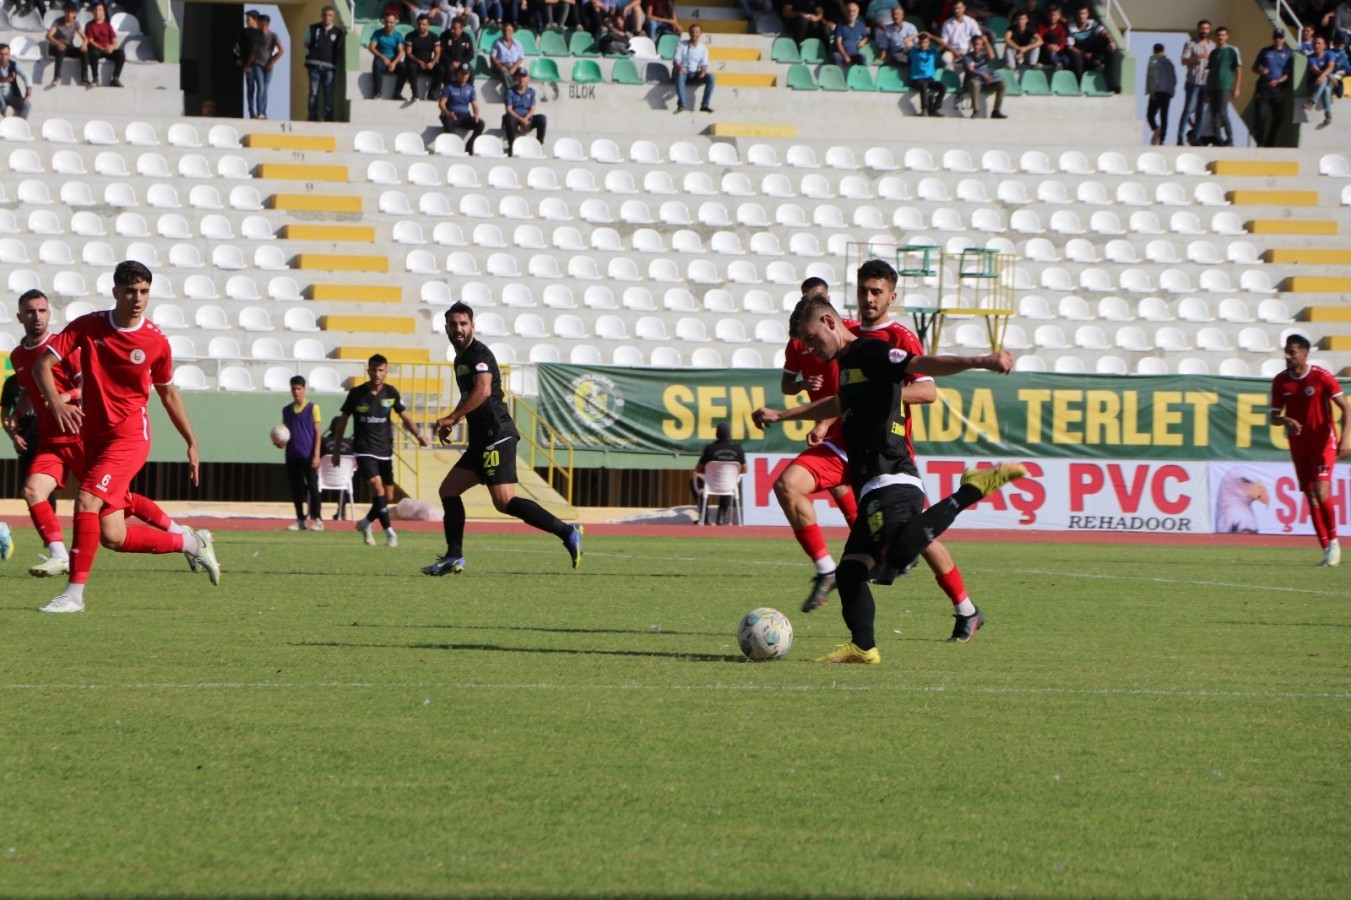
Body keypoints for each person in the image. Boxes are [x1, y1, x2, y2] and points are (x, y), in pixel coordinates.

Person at [753, 297, 1026, 664]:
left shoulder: (870, 352)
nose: (812, 351)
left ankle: (972, 489)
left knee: (896, 555)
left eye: (813, 339)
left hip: (894, 475)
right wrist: (783, 414)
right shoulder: (847, 365)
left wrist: (981, 361)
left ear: (830, 323)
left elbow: (920, 365)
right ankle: (863, 648)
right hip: (869, 484)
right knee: (850, 573)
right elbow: (836, 404)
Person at [32, 262, 220, 614]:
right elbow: (42, 364)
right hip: (94, 438)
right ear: (115, 291)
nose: (138, 299)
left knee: (86, 500)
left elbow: (168, 393)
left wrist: (191, 441)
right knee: (113, 536)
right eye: (131, 291)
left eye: (144, 291)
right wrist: (56, 403)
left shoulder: (155, 341)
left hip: (130, 437)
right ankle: (192, 543)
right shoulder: (89, 326)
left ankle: (73, 595)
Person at [10, 288, 196, 578]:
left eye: (42, 310)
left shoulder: (64, 348)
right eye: (31, 311)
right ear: (19, 316)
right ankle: (59, 555)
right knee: (32, 491)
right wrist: (17, 415)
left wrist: (64, 399)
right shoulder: (20, 355)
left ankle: (179, 533)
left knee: (119, 501)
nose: (37, 316)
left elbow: (88, 387)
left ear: (49, 314)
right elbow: (28, 391)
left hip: (80, 436)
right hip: (51, 441)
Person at [422, 302, 583, 576]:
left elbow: (483, 390)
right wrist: (456, 418)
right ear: (446, 328)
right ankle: (454, 556)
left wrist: (451, 418)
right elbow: (470, 396)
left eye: (463, 324)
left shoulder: (479, 354)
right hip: (480, 441)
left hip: (497, 436)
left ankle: (567, 532)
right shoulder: (460, 359)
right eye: (453, 324)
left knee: (504, 502)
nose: (458, 329)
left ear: (473, 326)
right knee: (448, 491)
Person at [1270, 334, 1351, 567]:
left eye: (1292, 352)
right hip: (1299, 446)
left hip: (1324, 442)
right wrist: (1285, 420)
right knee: (1311, 497)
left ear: (1305, 354)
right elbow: (1273, 417)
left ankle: (1335, 542)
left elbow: (1345, 407)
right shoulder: (1280, 381)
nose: (1288, 356)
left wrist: (1345, 439)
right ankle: (1326, 548)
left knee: (1321, 489)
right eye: (1286, 351)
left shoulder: (1321, 377)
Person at [331, 354, 428, 547]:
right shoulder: (357, 393)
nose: (377, 373)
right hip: (364, 450)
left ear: (386, 371)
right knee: (377, 488)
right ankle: (390, 533)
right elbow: (343, 421)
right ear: (368, 371)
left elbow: (406, 418)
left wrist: (419, 436)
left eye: (381, 370)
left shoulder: (391, 393)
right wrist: (336, 449)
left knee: (387, 496)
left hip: (385, 450)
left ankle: (366, 522)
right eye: (374, 370)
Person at [281, 375, 323, 532]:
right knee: (296, 488)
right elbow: (286, 433)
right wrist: (281, 442)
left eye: (299, 388)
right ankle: (300, 519)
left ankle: (317, 519)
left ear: (304, 389)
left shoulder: (313, 408)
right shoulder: (286, 410)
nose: (296, 392)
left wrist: (316, 454)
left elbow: (317, 432)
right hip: (292, 454)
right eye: (294, 388)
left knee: (313, 486)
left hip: (308, 454)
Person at [691, 422, 746, 525]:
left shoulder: (709, 449)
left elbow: (698, 469)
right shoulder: (738, 449)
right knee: (731, 480)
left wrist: (708, 473)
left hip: (710, 484)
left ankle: (705, 516)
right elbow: (745, 469)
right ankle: (721, 517)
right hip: (729, 486)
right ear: (730, 435)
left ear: (716, 434)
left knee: (693, 480)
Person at [305, 5, 345, 122]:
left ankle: (328, 117)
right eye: (325, 15)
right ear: (321, 15)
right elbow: (306, 43)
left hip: (329, 66)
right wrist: (309, 54)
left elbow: (339, 49)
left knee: (328, 93)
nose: (327, 18)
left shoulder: (338, 32)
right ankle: (312, 116)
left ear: (333, 17)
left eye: (330, 15)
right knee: (313, 92)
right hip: (313, 65)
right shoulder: (313, 28)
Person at [1253, 30, 1292, 147]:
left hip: (1277, 88)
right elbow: (1254, 67)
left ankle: (1270, 142)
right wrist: (1260, 70)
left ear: (1284, 39)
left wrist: (1278, 81)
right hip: (1264, 86)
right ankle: (1259, 141)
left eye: (1280, 37)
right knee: (1260, 115)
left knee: (1279, 116)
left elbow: (1287, 74)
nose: (1278, 39)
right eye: (1276, 37)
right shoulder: (1265, 51)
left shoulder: (1288, 54)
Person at [1177, 20, 1212, 146]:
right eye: (1202, 28)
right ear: (1198, 29)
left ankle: (1196, 138)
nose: (1204, 31)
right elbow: (1183, 61)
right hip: (1193, 82)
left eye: (1207, 28)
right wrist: (1197, 57)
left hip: (1206, 83)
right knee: (1188, 110)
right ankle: (1180, 138)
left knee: (1200, 113)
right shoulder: (1190, 43)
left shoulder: (1212, 45)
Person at [1204, 26, 1241, 146]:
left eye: (1223, 35)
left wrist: (1237, 87)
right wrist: (1207, 89)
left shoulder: (1232, 50)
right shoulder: (1214, 52)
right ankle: (1218, 138)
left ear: (1227, 36)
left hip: (1225, 85)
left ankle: (1229, 138)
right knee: (1214, 113)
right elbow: (1209, 71)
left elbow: (1238, 69)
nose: (1221, 37)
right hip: (1213, 86)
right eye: (1219, 35)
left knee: (1222, 112)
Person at [672, 23, 714, 113]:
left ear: (700, 34)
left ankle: (705, 105)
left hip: (694, 73)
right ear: (689, 33)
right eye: (692, 32)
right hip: (681, 71)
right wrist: (680, 68)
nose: (694, 34)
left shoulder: (703, 48)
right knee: (680, 76)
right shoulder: (681, 44)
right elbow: (675, 61)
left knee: (711, 77)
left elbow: (704, 64)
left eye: (696, 32)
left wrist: (703, 72)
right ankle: (681, 104)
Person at [501, 68, 544, 157]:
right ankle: (512, 146)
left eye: (524, 77)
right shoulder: (510, 91)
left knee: (542, 118)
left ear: (527, 78)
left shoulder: (531, 92)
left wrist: (526, 119)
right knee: (509, 118)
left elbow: (532, 109)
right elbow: (509, 109)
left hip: (527, 117)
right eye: (519, 77)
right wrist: (521, 120)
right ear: (516, 78)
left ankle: (539, 144)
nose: (521, 79)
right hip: (515, 117)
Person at [963, 33, 1006, 118]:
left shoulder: (983, 55)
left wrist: (986, 42)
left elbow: (992, 56)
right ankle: (976, 111)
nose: (977, 46)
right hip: (973, 80)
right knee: (974, 83)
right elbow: (970, 69)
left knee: (1002, 84)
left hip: (985, 81)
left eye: (979, 44)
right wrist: (983, 75)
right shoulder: (967, 57)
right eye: (975, 44)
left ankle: (996, 111)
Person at [82, 3, 125, 88]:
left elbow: (114, 41)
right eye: (95, 10)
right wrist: (102, 48)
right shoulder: (89, 25)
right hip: (97, 49)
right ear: (92, 12)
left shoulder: (107, 25)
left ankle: (115, 78)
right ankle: (95, 78)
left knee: (121, 54)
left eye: (100, 10)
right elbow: (90, 41)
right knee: (94, 54)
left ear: (104, 13)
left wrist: (111, 48)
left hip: (107, 49)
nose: (97, 12)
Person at [908, 31, 950, 116]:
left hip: (929, 79)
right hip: (917, 79)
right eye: (921, 42)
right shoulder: (914, 51)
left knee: (943, 86)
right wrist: (917, 35)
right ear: (919, 43)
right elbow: (905, 41)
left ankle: (935, 109)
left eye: (925, 42)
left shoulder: (932, 52)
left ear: (929, 43)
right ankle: (924, 109)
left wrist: (931, 36)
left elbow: (943, 43)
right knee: (923, 85)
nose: (923, 44)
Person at [320, 416, 354, 520]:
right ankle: (342, 511)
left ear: (330, 428)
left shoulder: (323, 442)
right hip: (343, 481)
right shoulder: (350, 443)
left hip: (323, 479)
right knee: (349, 476)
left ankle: (314, 511)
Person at [369, 12, 407, 99]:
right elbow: (371, 47)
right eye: (387, 22)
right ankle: (377, 92)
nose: (388, 24)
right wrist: (383, 57)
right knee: (377, 65)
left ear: (395, 23)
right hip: (381, 60)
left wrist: (394, 63)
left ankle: (397, 94)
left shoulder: (397, 36)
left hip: (393, 61)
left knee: (404, 67)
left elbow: (401, 51)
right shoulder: (377, 33)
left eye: (391, 22)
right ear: (384, 22)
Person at [45, 3, 85, 87]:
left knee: (84, 51)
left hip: (68, 46)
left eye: (71, 12)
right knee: (61, 49)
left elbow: (85, 37)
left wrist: (84, 44)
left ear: (75, 14)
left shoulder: (76, 23)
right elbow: (49, 36)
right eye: (67, 12)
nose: (69, 14)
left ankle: (84, 78)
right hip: (55, 46)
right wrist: (58, 43)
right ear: (64, 12)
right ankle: (56, 78)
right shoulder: (58, 22)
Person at [1145, 42, 1176, 145]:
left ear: (1153, 51)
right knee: (1164, 116)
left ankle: (1156, 129)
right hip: (1167, 92)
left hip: (1157, 91)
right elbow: (1174, 79)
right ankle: (1162, 139)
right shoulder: (1169, 62)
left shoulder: (1153, 60)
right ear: (1163, 51)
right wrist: (1172, 92)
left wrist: (1151, 91)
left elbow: (1152, 77)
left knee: (1150, 115)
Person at [404, 14, 441, 100]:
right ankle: (415, 93)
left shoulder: (434, 37)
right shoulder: (410, 36)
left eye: (424, 24)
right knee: (411, 66)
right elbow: (408, 53)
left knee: (441, 69)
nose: (421, 26)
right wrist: (419, 61)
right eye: (419, 24)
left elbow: (437, 53)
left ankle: (432, 93)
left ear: (428, 25)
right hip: (414, 62)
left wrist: (432, 62)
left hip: (428, 63)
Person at [237, 9, 266, 116]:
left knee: (261, 87)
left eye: (248, 19)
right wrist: (238, 58)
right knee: (250, 88)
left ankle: (261, 111)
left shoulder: (262, 33)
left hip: (260, 66)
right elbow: (237, 46)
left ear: (255, 19)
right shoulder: (244, 32)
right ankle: (251, 112)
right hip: (248, 66)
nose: (246, 21)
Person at [255, 13, 284, 118]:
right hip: (258, 65)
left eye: (258, 22)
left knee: (265, 88)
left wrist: (272, 62)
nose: (257, 24)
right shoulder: (256, 35)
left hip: (269, 67)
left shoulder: (273, 36)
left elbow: (282, 50)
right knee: (261, 87)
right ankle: (259, 112)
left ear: (264, 23)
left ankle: (263, 111)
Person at [939, 1, 982, 67]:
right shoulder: (947, 24)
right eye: (955, 8)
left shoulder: (971, 22)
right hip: (952, 51)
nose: (956, 11)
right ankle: (951, 76)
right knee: (945, 59)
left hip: (968, 51)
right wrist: (954, 51)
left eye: (959, 8)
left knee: (973, 62)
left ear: (964, 8)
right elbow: (944, 42)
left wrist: (972, 51)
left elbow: (977, 38)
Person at [1307, 34, 1337, 128]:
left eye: (1319, 44)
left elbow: (1331, 66)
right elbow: (1315, 70)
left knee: (1326, 86)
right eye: (1315, 43)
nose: (1316, 45)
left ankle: (1312, 102)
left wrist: (1324, 76)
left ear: (1324, 46)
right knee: (1325, 85)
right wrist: (1327, 76)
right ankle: (1329, 115)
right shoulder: (1311, 57)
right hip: (1314, 84)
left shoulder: (1329, 54)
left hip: (1327, 83)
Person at [437, 16, 476, 87]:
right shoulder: (444, 36)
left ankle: (469, 90)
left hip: (461, 62)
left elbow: (470, 54)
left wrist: (460, 62)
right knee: (450, 68)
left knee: (470, 70)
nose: (452, 30)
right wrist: (451, 61)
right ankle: (448, 90)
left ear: (461, 29)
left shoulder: (466, 37)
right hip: (447, 62)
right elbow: (441, 53)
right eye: (451, 27)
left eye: (454, 29)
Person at [832, 3, 869, 72]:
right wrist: (844, 55)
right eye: (849, 11)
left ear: (857, 12)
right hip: (841, 53)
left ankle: (862, 78)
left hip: (854, 53)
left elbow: (866, 36)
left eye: (853, 11)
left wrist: (863, 41)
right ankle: (841, 78)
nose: (851, 13)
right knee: (836, 56)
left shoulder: (861, 25)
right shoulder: (840, 25)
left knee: (862, 58)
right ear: (846, 12)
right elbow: (838, 43)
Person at [0, 44, 32, 120]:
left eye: (6, 54)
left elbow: (26, 76)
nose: (4, 57)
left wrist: (27, 95)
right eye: (1, 54)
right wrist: (4, 79)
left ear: (9, 54)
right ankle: (6, 112)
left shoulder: (13, 65)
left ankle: (20, 124)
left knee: (27, 105)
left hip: (12, 97)